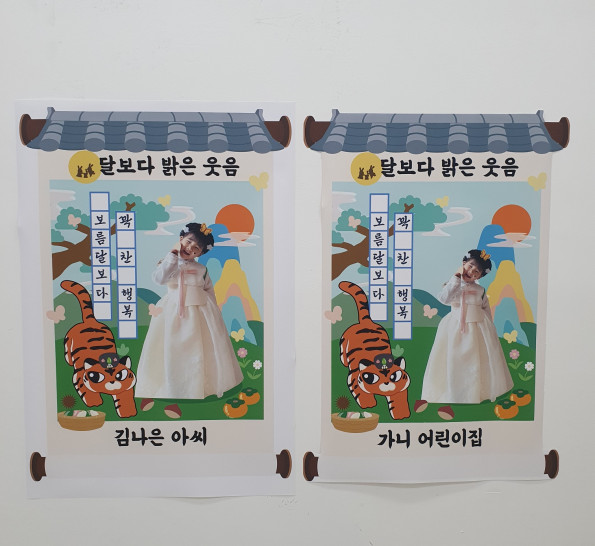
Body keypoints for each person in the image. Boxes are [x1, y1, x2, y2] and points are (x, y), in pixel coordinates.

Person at [135, 222, 243, 401]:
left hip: (200, 311)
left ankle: (203, 385)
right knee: (172, 346)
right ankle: (171, 386)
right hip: (173, 312)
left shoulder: (202, 270)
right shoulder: (169, 263)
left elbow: (209, 290)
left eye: (196, 248)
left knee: (201, 348)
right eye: (188, 242)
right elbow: (159, 279)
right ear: (180, 239)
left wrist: (214, 314)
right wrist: (171, 256)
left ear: (200, 254)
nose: (190, 248)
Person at [420, 249, 513, 412]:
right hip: (455, 327)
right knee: (453, 358)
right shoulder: (453, 284)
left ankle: (479, 392)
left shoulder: (480, 290)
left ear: (480, 276)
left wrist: (489, 328)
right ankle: (452, 392)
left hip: (478, 327)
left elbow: (486, 309)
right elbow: (444, 299)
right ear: (463, 264)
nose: (472, 272)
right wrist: (456, 278)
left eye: (477, 272)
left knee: (478, 359)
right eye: (470, 266)